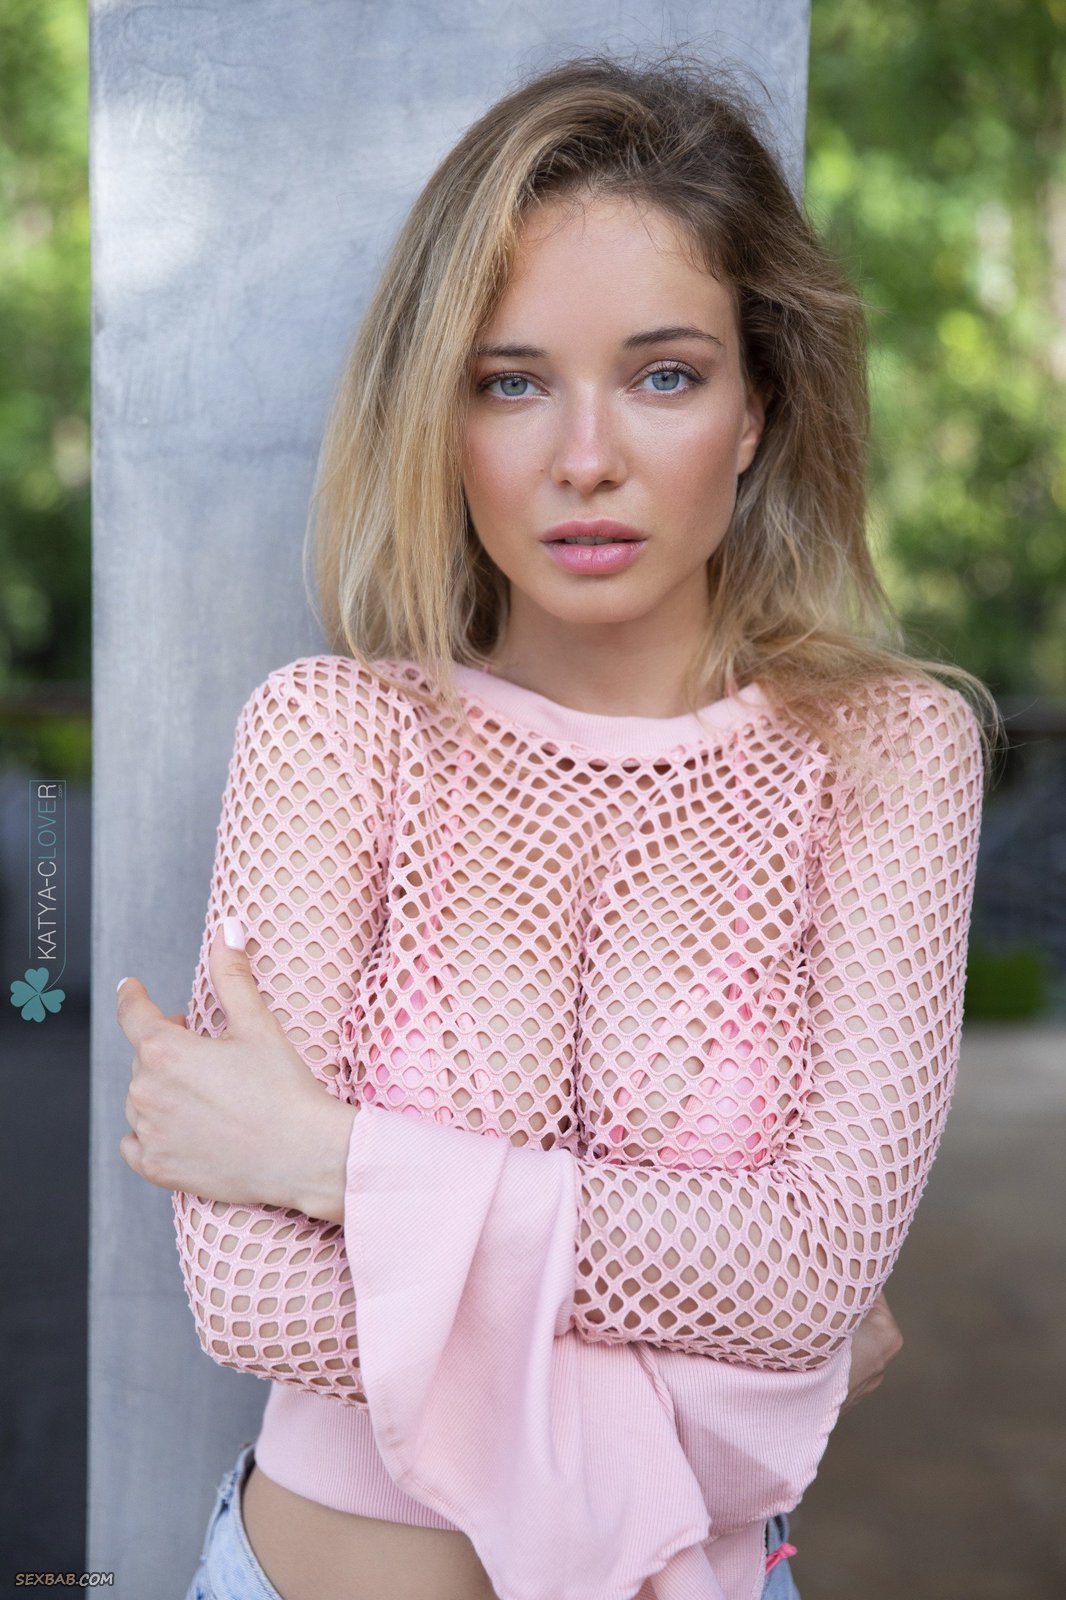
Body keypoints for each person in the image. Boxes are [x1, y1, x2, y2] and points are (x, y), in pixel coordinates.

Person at [116, 48, 1001, 1600]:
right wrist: (741, 1350)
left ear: (756, 406)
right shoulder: (334, 737)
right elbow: (247, 1301)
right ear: (439, 412)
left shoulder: (884, 755)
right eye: (510, 381)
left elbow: (808, 1277)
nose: (584, 457)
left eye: (663, 376)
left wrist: (330, 1160)